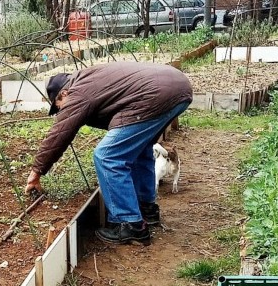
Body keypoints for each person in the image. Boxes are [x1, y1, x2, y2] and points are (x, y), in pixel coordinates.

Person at [25, 62, 193, 245]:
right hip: (178, 87)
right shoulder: (89, 79)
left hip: (155, 94)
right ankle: (147, 209)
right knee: (139, 148)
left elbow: (60, 133)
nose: (61, 111)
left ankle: (130, 224)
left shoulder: (77, 92)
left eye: (58, 106)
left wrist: (36, 172)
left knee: (107, 156)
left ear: (63, 93)